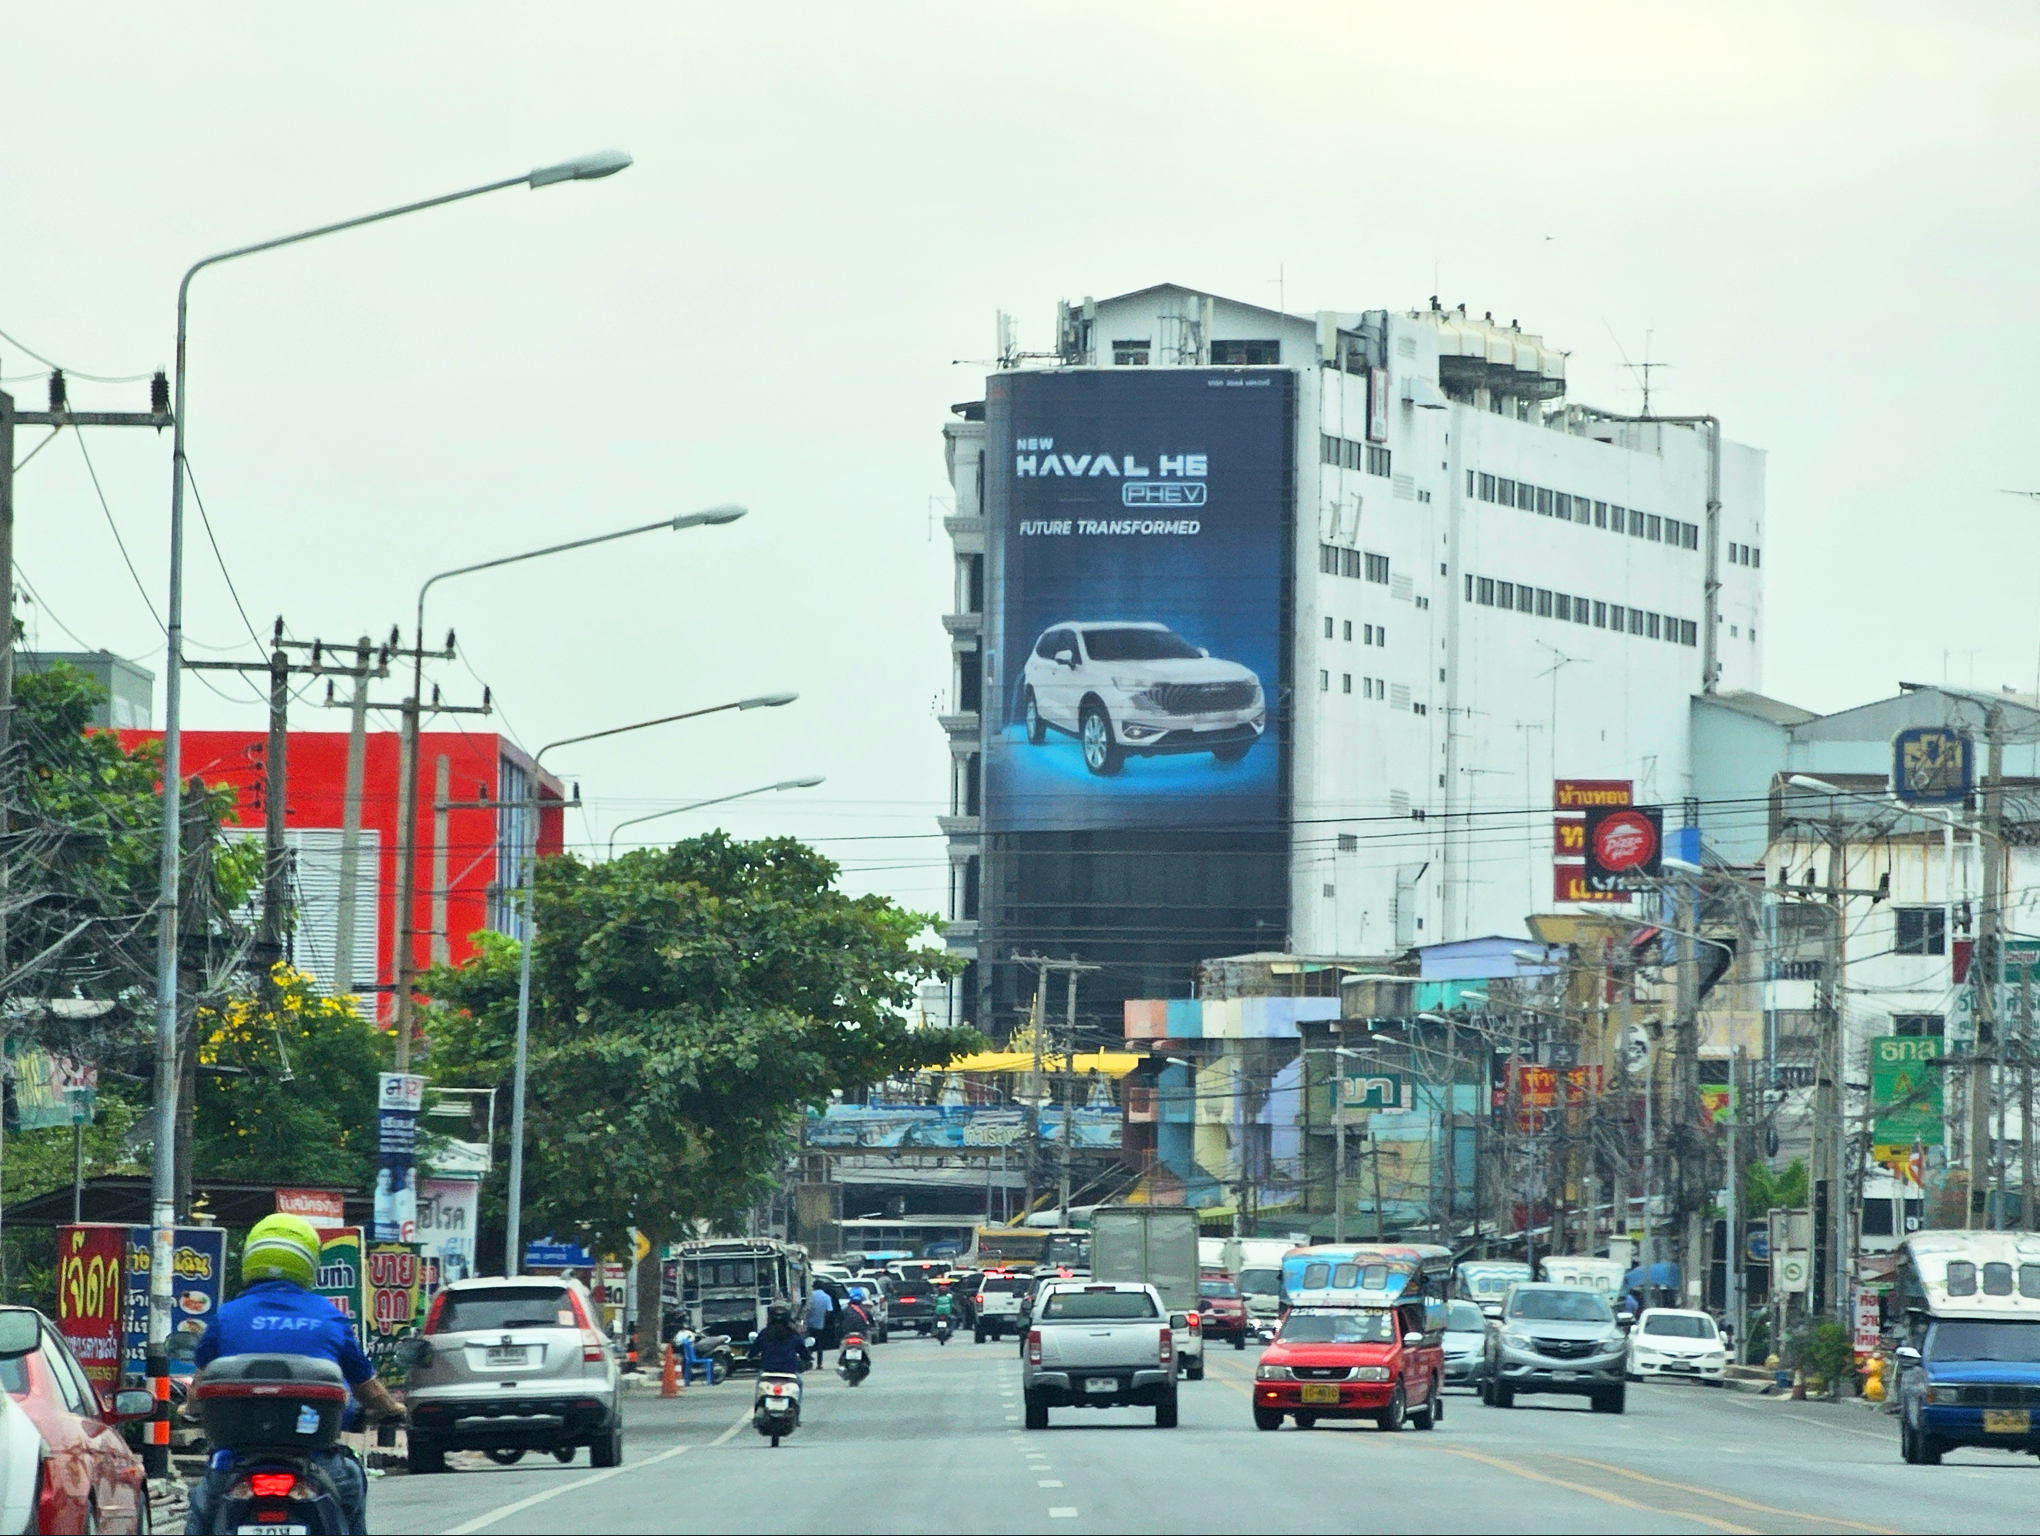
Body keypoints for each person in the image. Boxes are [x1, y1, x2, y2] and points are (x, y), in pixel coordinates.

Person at [185, 1214, 400, 1536]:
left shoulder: (227, 1316)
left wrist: (188, 1411)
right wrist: (392, 1411)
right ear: (308, 1262)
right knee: (352, 1484)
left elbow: (199, 1385)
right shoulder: (329, 1317)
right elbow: (367, 1387)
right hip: (315, 1457)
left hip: (237, 1459)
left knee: (203, 1505)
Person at [753, 1301, 806, 1376]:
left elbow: (755, 1348)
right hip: (789, 1370)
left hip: (768, 1370)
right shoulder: (793, 1334)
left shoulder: (764, 1333)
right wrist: (807, 1358)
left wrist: (749, 1356)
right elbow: (802, 1350)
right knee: (799, 1383)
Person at [804, 1282, 834, 1367]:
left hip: (809, 1324)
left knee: (808, 1343)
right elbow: (829, 1311)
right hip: (820, 1324)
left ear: (814, 1287)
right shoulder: (827, 1297)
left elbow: (805, 1308)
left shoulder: (810, 1296)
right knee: (820, 1345)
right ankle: (819, 1364)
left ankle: (807, 1361)